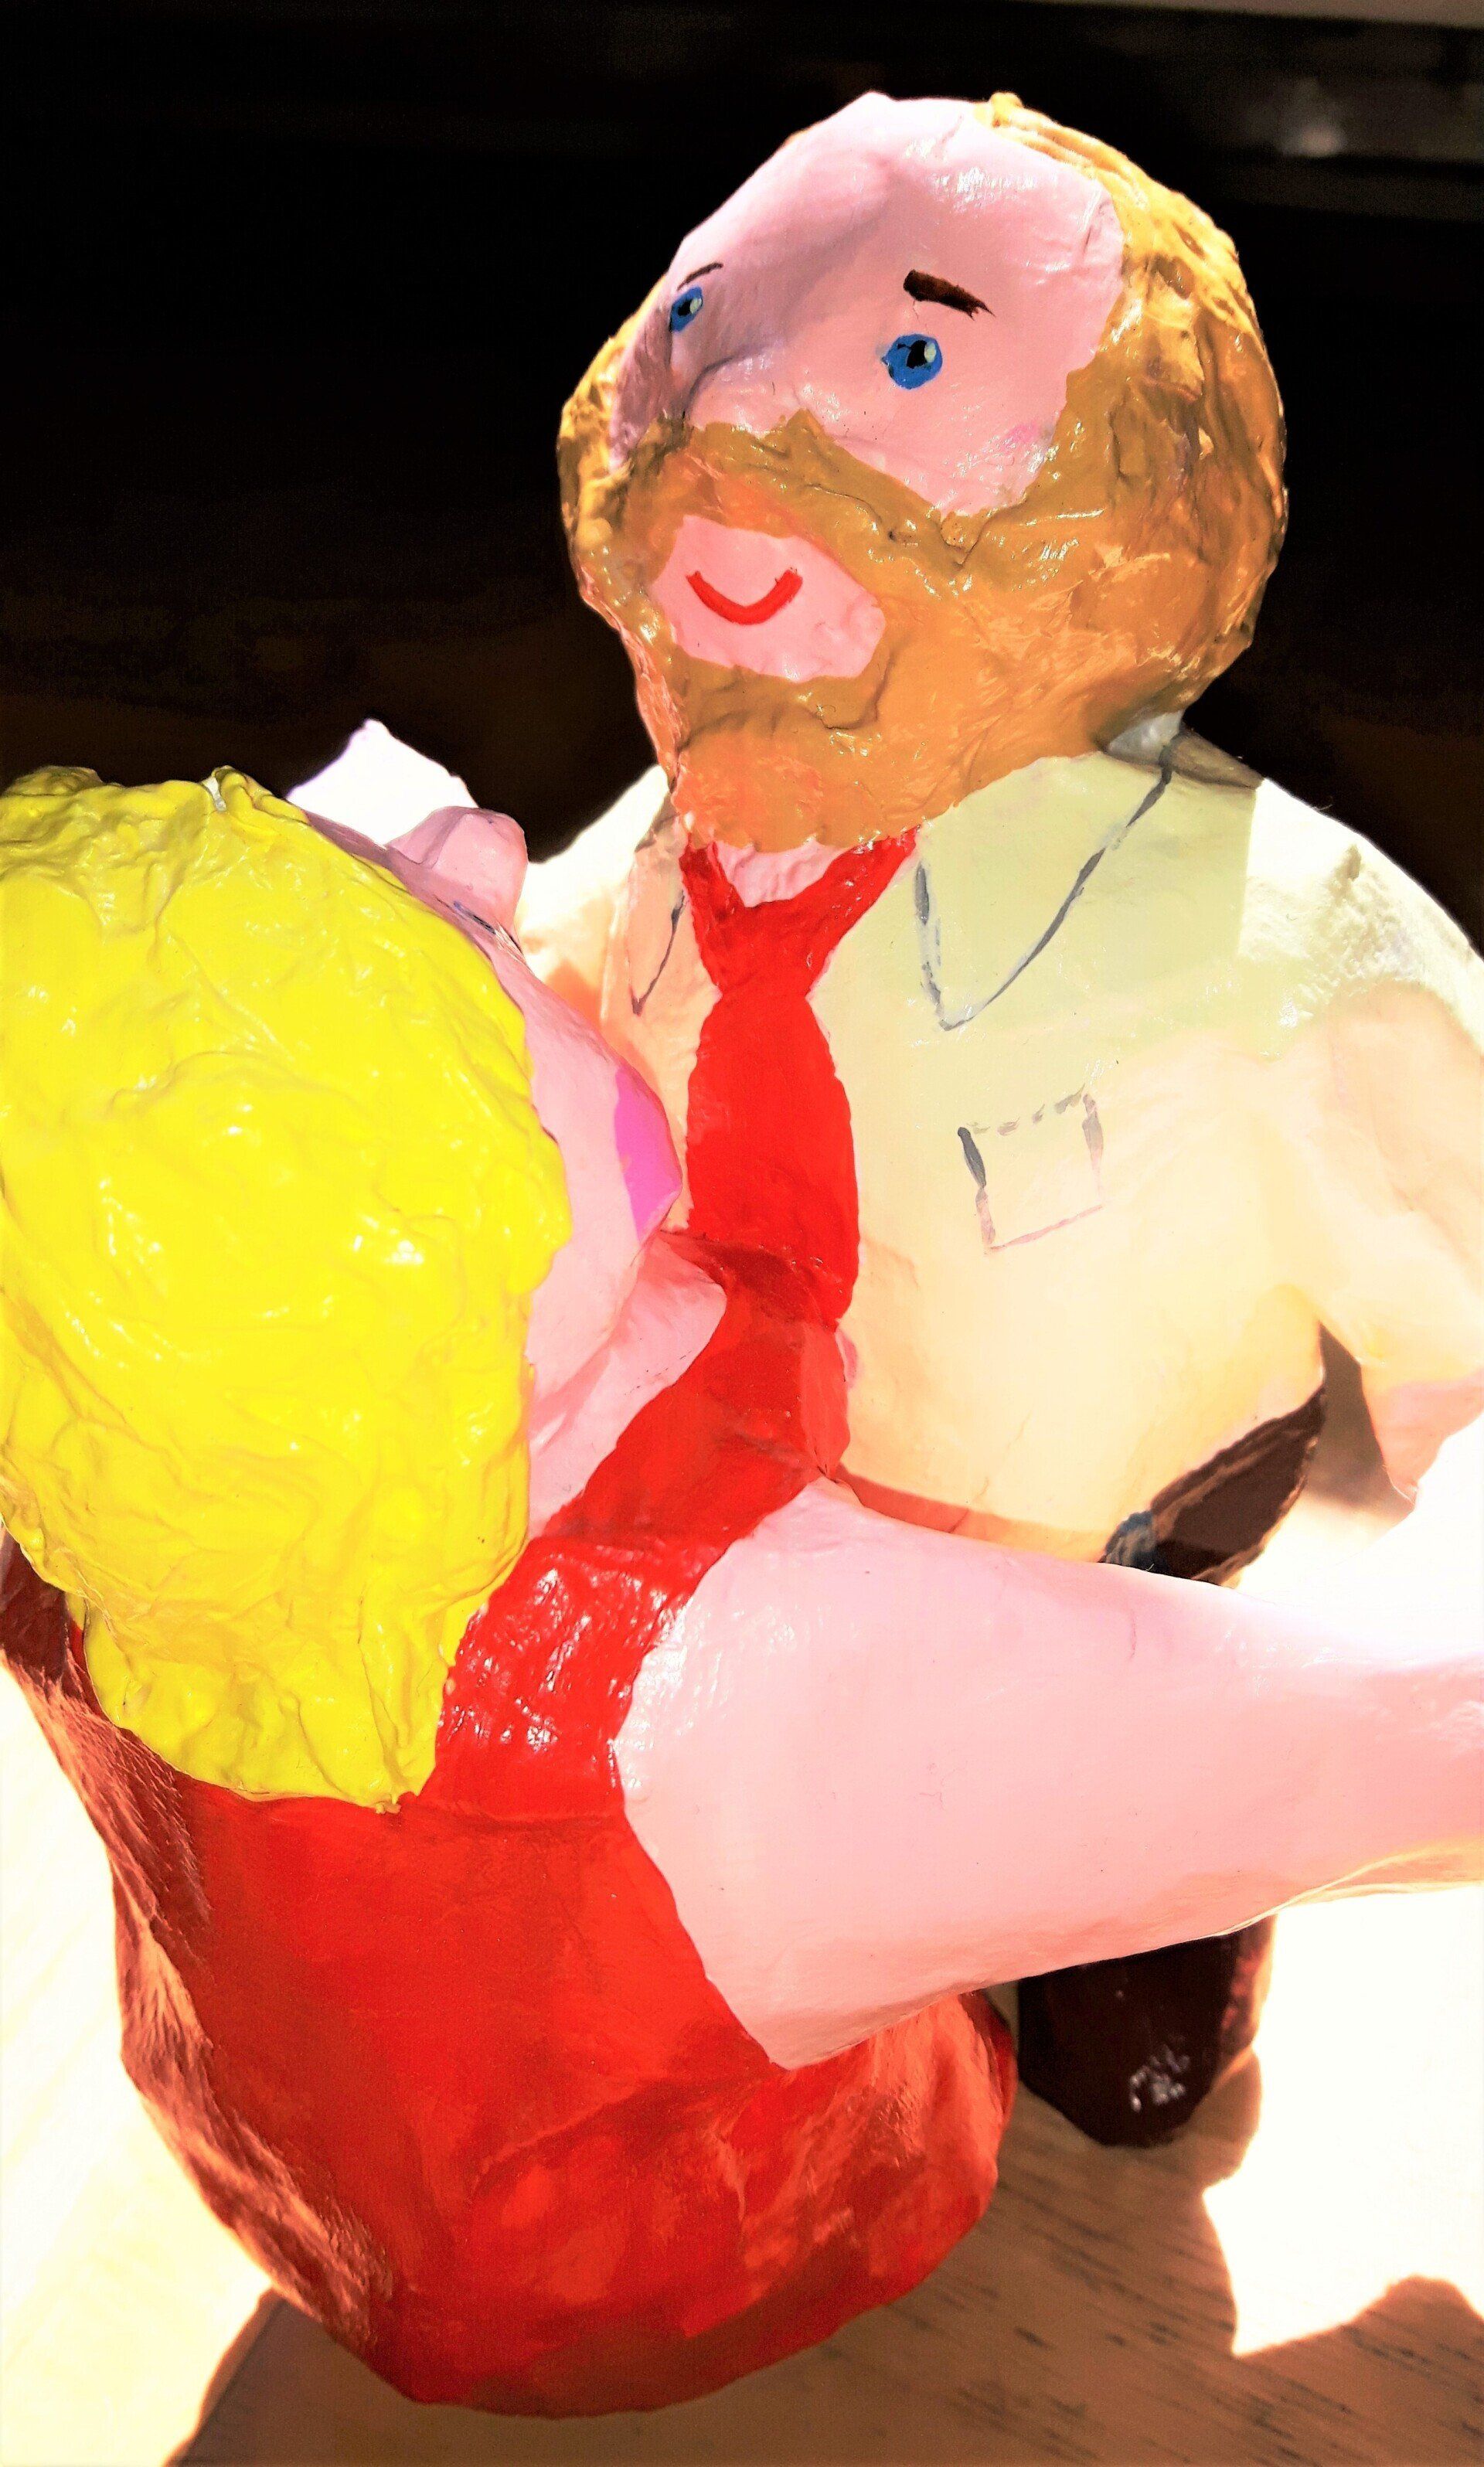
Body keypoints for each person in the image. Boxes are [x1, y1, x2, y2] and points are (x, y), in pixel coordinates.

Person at [1, 765, 1478, 2411]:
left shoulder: (78, 1519)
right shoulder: (713, 1687)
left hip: (297, 2163)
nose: (474, 856)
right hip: (690, 2243)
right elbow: (1371, 1742)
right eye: (451, 946)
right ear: (471, 1176)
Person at [516, 90, 1484, 2140]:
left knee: (1099, 1826)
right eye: (696, 325)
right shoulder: (683, 842)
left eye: (910, 358)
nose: (734, 410)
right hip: (761, 1491)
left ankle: (1142, 1897)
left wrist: (1411, 1702)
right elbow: (549, 986)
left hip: (1100, 1545)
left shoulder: (1275, 944)